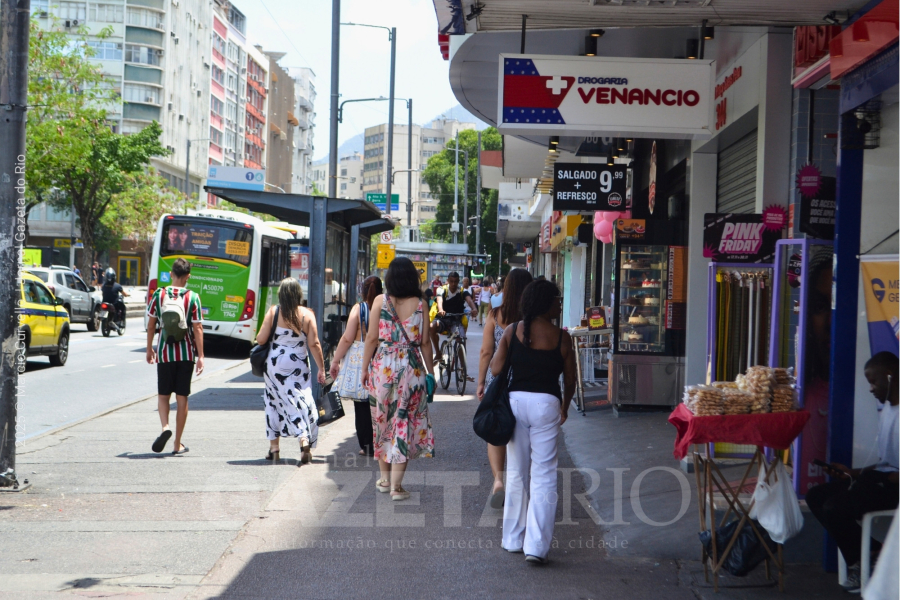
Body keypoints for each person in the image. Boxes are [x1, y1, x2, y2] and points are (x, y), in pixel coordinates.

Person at [489, 280, 577, 564]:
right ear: (545, 303)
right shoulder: (562, 338)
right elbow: (571, 379)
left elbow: (496, 368)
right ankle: (536, 547)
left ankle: (512, 539)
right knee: (544, 475)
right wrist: (563, 407)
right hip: (546, 405)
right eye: (556, 299)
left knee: (515, 471)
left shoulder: (513, 330)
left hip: (516, 403)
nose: (559, 304)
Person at [806, 351, 899, 593]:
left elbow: (891, 472)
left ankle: (863, 562)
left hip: (894, 486)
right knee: (816, 497)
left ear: (890, 377)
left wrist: (883, 478)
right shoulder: (888, 410)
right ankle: (872, 553)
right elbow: (886, 461)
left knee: (835, 507)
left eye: (873, 381)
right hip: (883, 480)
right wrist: (852, 472)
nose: (870, 389)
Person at [362, 257, 435, 501]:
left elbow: (371, 338)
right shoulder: (421, 303)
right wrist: (431, 372)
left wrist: (364, 369)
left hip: (382, 366)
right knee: (403, 423)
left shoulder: (379, 301)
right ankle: (396, 486)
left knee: (382, 422)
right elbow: (425, 342)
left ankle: (384, 480)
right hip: (411, 368)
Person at [477, 269, 533, 508]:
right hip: (525, 380)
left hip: (498, 380)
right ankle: (521, 486)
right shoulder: (534, 316)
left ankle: (498, 480)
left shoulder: (495, 314)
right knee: (522, 433)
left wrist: (481, 382)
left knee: (496, 431)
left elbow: (485, 352)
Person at [256, 278, 326, 464]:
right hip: (298, 364)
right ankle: (304, 439)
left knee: (273, 401)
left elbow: (261, 339)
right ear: (298, 294)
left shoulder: (274, 312)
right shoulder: (307, 314)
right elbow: (314, 344)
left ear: (281, 294)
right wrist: (321, 368)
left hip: (275, 364)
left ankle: (275, 449)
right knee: (300, 397)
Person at [146, 258, 204, 455]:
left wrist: (149, 349)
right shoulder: (193, 297)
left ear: (171, 274)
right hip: (186, 354)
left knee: (163, 396)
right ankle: (177, 443)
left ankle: (165, 427)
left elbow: (152, 325)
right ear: (188, 277)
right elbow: (197, 327)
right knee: (182, 398)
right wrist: (201, 355)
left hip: (164, 353)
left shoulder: (159, 294)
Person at [331, 275, 383, 456]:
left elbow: (347, 338)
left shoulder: (358, 309)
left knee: (361, 404)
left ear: (362, 290)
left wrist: (335, 360)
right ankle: (382, 440)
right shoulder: (386, 307)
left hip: (360, 358)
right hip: (381, 356)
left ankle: (367, 445)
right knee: (381, 401)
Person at [430, 271, 478, 359]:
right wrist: (441, 310)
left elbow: (469, 300)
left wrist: (474, 308)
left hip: (456, 320)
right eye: (451, 281)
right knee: (432, 326)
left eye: (455, 281)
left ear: (458, 281)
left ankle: (463, 368)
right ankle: (438, 353)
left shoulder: (462, 291)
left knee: (461, 340)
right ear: (447, 280)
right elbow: (439, 300)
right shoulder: (442, 289)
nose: (453, 284)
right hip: (443, 319)